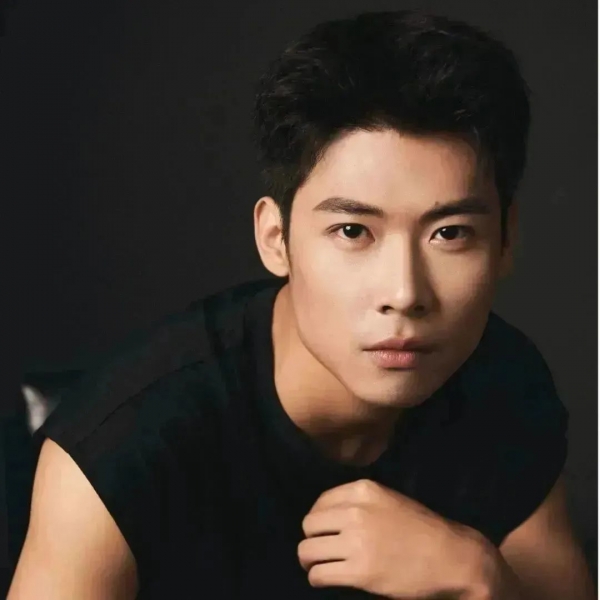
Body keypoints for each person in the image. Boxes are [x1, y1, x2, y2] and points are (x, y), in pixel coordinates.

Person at [8, 9, 595, 600]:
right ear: (276, 239)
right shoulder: (122, 447)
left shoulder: (502, 381)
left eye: (450, 233)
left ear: (506, 240)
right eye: (352, 231)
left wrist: (481, 579)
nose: (404, 294)